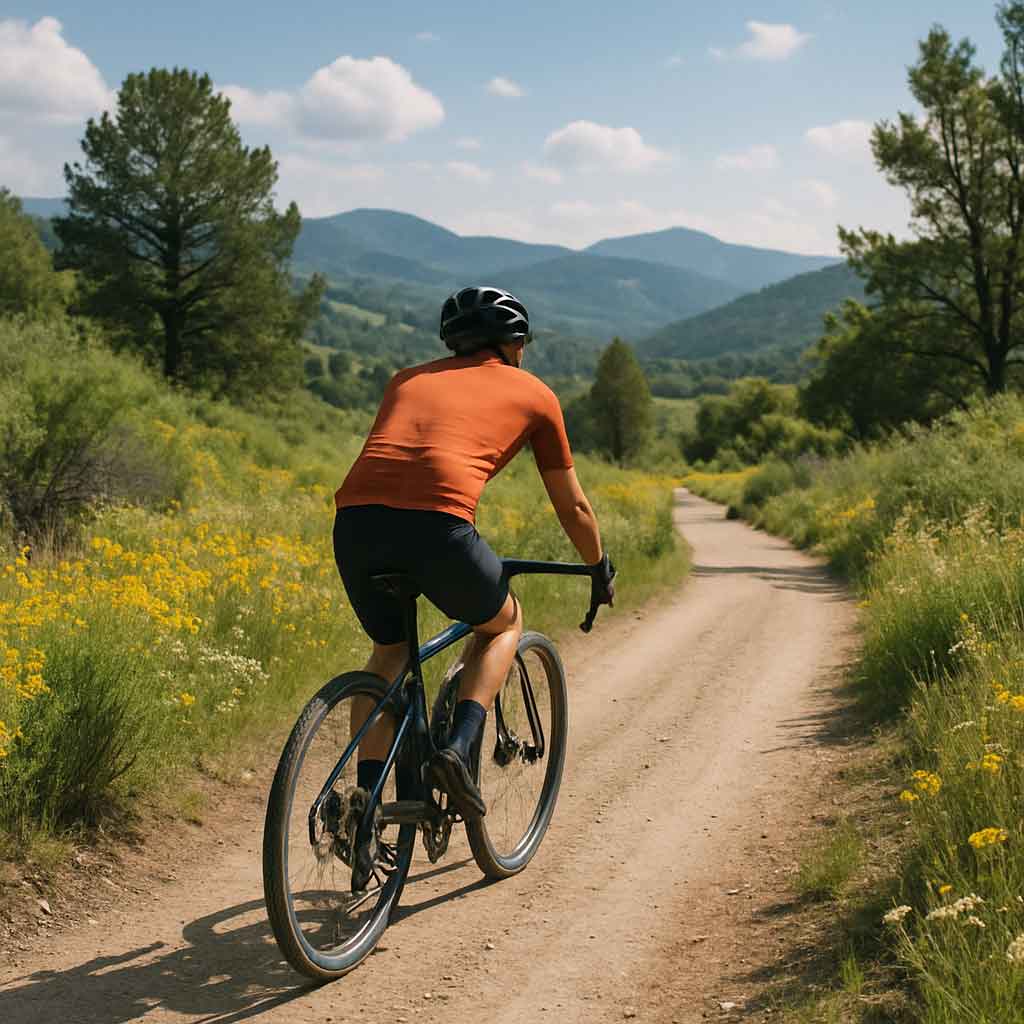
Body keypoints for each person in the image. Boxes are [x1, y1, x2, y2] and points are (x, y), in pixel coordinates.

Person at [333, 285, 615, 823]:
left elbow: (407, 462)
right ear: (511, 343)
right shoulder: (534, 394)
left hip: (355, 523)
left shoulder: (406, 379)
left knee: (387, 656)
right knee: (501, 624)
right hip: (440, 528)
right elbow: (573, 506)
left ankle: (364, 807)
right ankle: (458, 751)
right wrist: (597, 567)